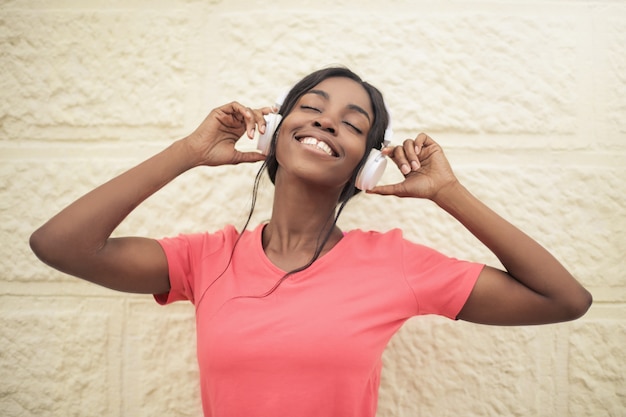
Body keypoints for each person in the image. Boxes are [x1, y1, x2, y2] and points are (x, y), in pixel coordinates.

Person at [30, 66, 592, 417]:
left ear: (368, 165)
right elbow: (61, 244)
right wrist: (188, 152)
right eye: (311, 109)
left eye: (352, 123)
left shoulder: (394, 263)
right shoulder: (205, 258)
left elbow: (563, 301)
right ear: (275, 132)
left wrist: (447, 192)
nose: (326, 124)